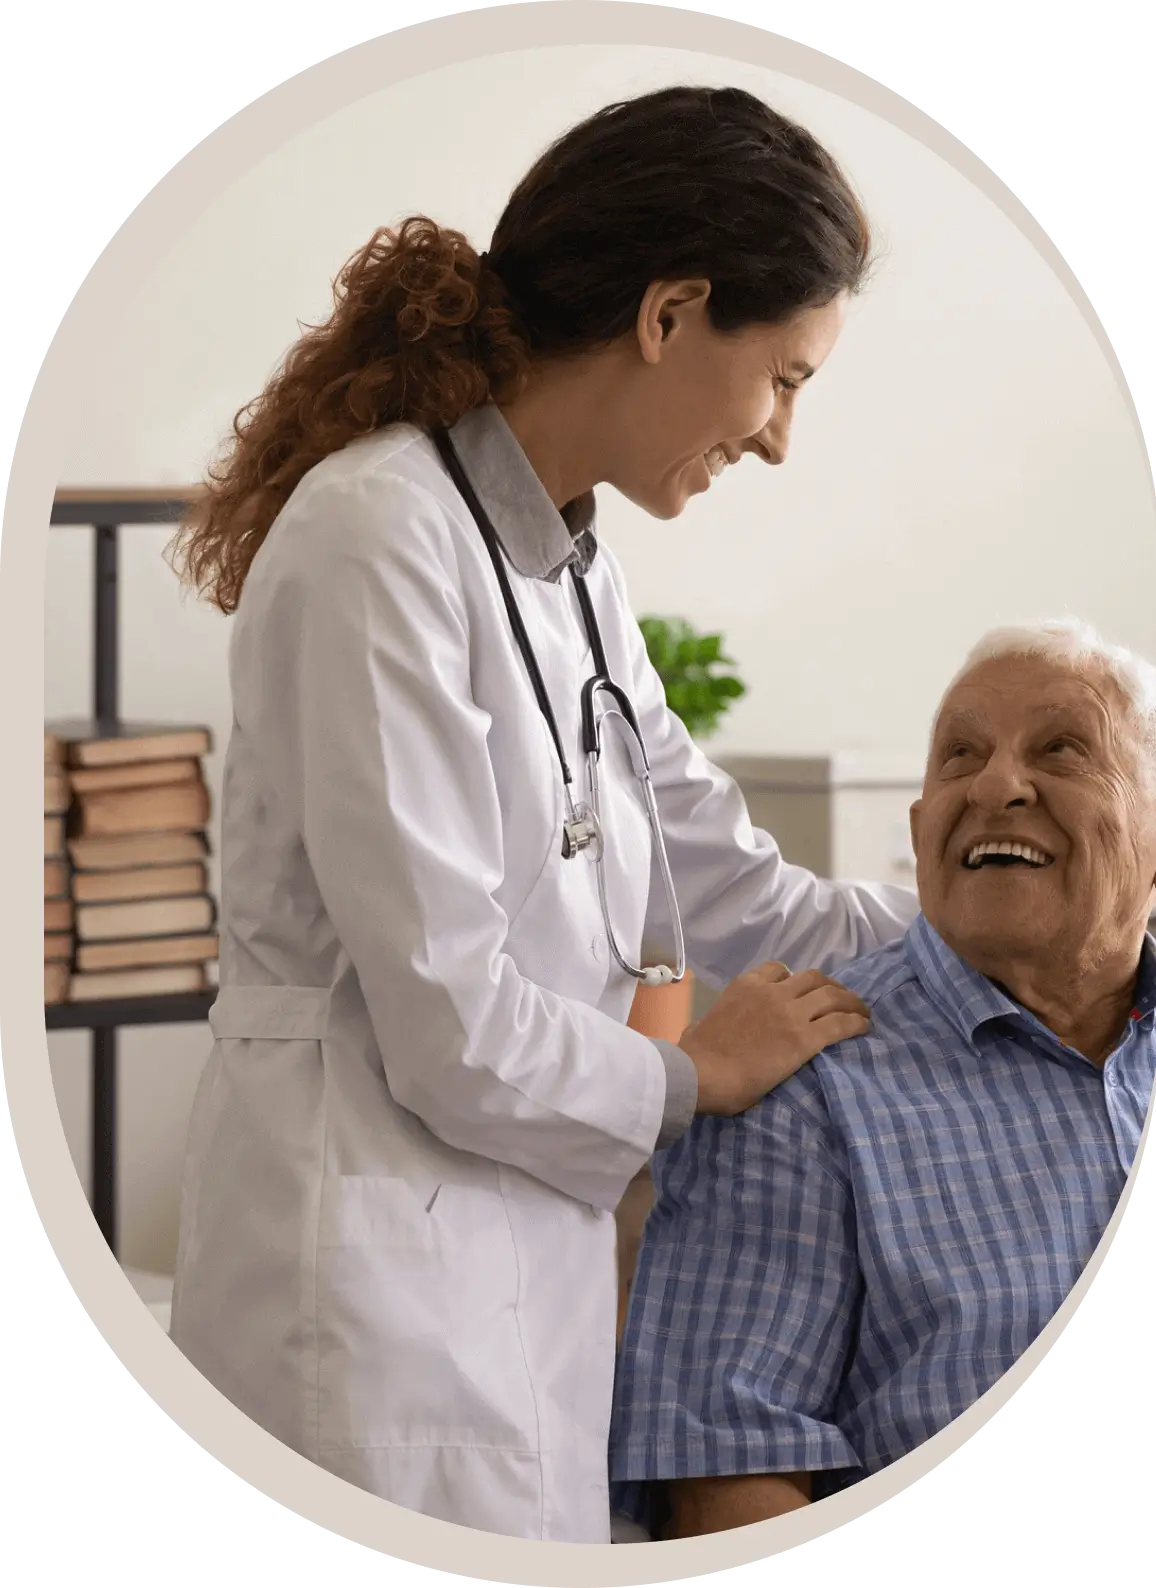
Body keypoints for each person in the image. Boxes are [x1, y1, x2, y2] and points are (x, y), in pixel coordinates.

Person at [165, 84, 919, 1544]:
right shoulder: (375, 534)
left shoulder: (571, 566)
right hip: (365, 1298)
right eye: (785, 378)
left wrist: (983, 935)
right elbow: (450, 1019)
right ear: (670, 313)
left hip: (512, 1275)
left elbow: (724, 876)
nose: (776, 440)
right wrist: (703, 1073)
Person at [609, 619, 1156, 1540]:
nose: (996, 784)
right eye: (959, 756)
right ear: (919, 829)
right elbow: (725, 1479)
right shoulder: (806, 1083)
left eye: (1061, 748)